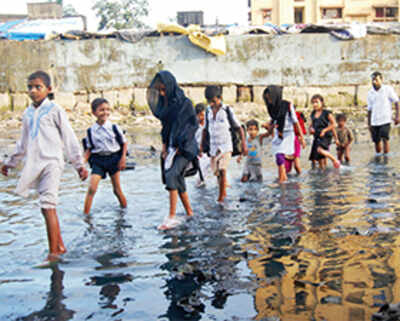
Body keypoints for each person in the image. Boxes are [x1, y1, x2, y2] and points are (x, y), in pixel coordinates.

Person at [1, 70, 88, 263]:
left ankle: (53, 253)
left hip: (52, 163)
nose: (33, 91)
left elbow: (69, 138)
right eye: (30, 87)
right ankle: (60, 246)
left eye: (38, 87)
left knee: (48, 205)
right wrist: (10, 162)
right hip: (36, 164)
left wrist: (78, 164)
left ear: (48, 89)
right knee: (45, 207)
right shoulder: (28, 113)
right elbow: (22, 143)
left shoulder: (55, 110)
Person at [148, 70, 199, 230]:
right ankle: (189, 212)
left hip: (185, 148)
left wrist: (180, 145)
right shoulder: (166, 106)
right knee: (178, 179)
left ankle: (171, 216)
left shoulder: (185, 104)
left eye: (164, 90)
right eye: (159, 91)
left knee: (171, 175)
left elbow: (192, 126)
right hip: (171, 148)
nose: (162, 94)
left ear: (170, 86)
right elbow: (166, 128)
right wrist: (164, 147)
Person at [201, 85, 247, 205]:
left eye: (214, 100)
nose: (212, 103)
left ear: (220, 98)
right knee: (216, 172)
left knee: (222, 169)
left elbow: (239, 128)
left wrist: (244, 145)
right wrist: (201, 146)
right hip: (213, 147)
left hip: (226, 146)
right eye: (209, 101)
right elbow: (205, 130)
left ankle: (221, 197)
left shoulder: (227, 110)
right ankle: (224, 191)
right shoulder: (208, 112)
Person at [83, 98, 128, 215]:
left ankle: (124, 211)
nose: (105, 112)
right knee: (92, 188)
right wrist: (81, 164)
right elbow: (89, 149)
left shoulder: (114, 127)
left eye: (107, 109)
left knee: (117, 190)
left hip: (114, 159)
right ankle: (86, 215)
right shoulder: (91, 131)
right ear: (94, 113)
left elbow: (124, 143)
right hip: (98, 160)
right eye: (101, 110)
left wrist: (123, 158)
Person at [262, 85, 306, 183]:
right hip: (279, 134)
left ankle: (284, 178)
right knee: (278, 156)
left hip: (288, 134)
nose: (269, 100)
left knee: (282, 157)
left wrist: (302, 138)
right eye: (267, 98)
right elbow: (273, 121)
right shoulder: (272, 108)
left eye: (270, 98)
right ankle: (283, 178)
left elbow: (296, 122)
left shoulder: (288, 105)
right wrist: (267, 129)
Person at [367, 71, 400, 155]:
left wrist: (397, 116)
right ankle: (378, 159)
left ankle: (386, 157)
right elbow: (369, 109)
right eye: (373, 80)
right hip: (374, 120)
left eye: (376, 80)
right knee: (376, 141)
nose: (374, 82)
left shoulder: (387, 89)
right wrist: (369, 124)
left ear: (381, 80)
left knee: (385, 138)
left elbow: (396, 102)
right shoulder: (370, 93)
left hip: (385, 119)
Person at [309, 94, 340, 170]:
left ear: (322, 103)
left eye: (317, 102)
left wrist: (325, 131)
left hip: (325, 136)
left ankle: (334, 160)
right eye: (313, 103)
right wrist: (310, 129)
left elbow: (334, 124)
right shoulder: (313, 113)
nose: (315, 104)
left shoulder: (326, 113)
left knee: (320, 150)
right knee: (320, 159)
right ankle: (323, 173)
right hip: (317, 136)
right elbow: (311, 125)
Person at [194, 103, 211, 187]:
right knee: (200, 179)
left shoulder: (209, 125)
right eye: (199, 115)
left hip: (209, 152)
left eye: (203, 115)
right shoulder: (193, 126)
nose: (202, 117)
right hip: (200, 154)